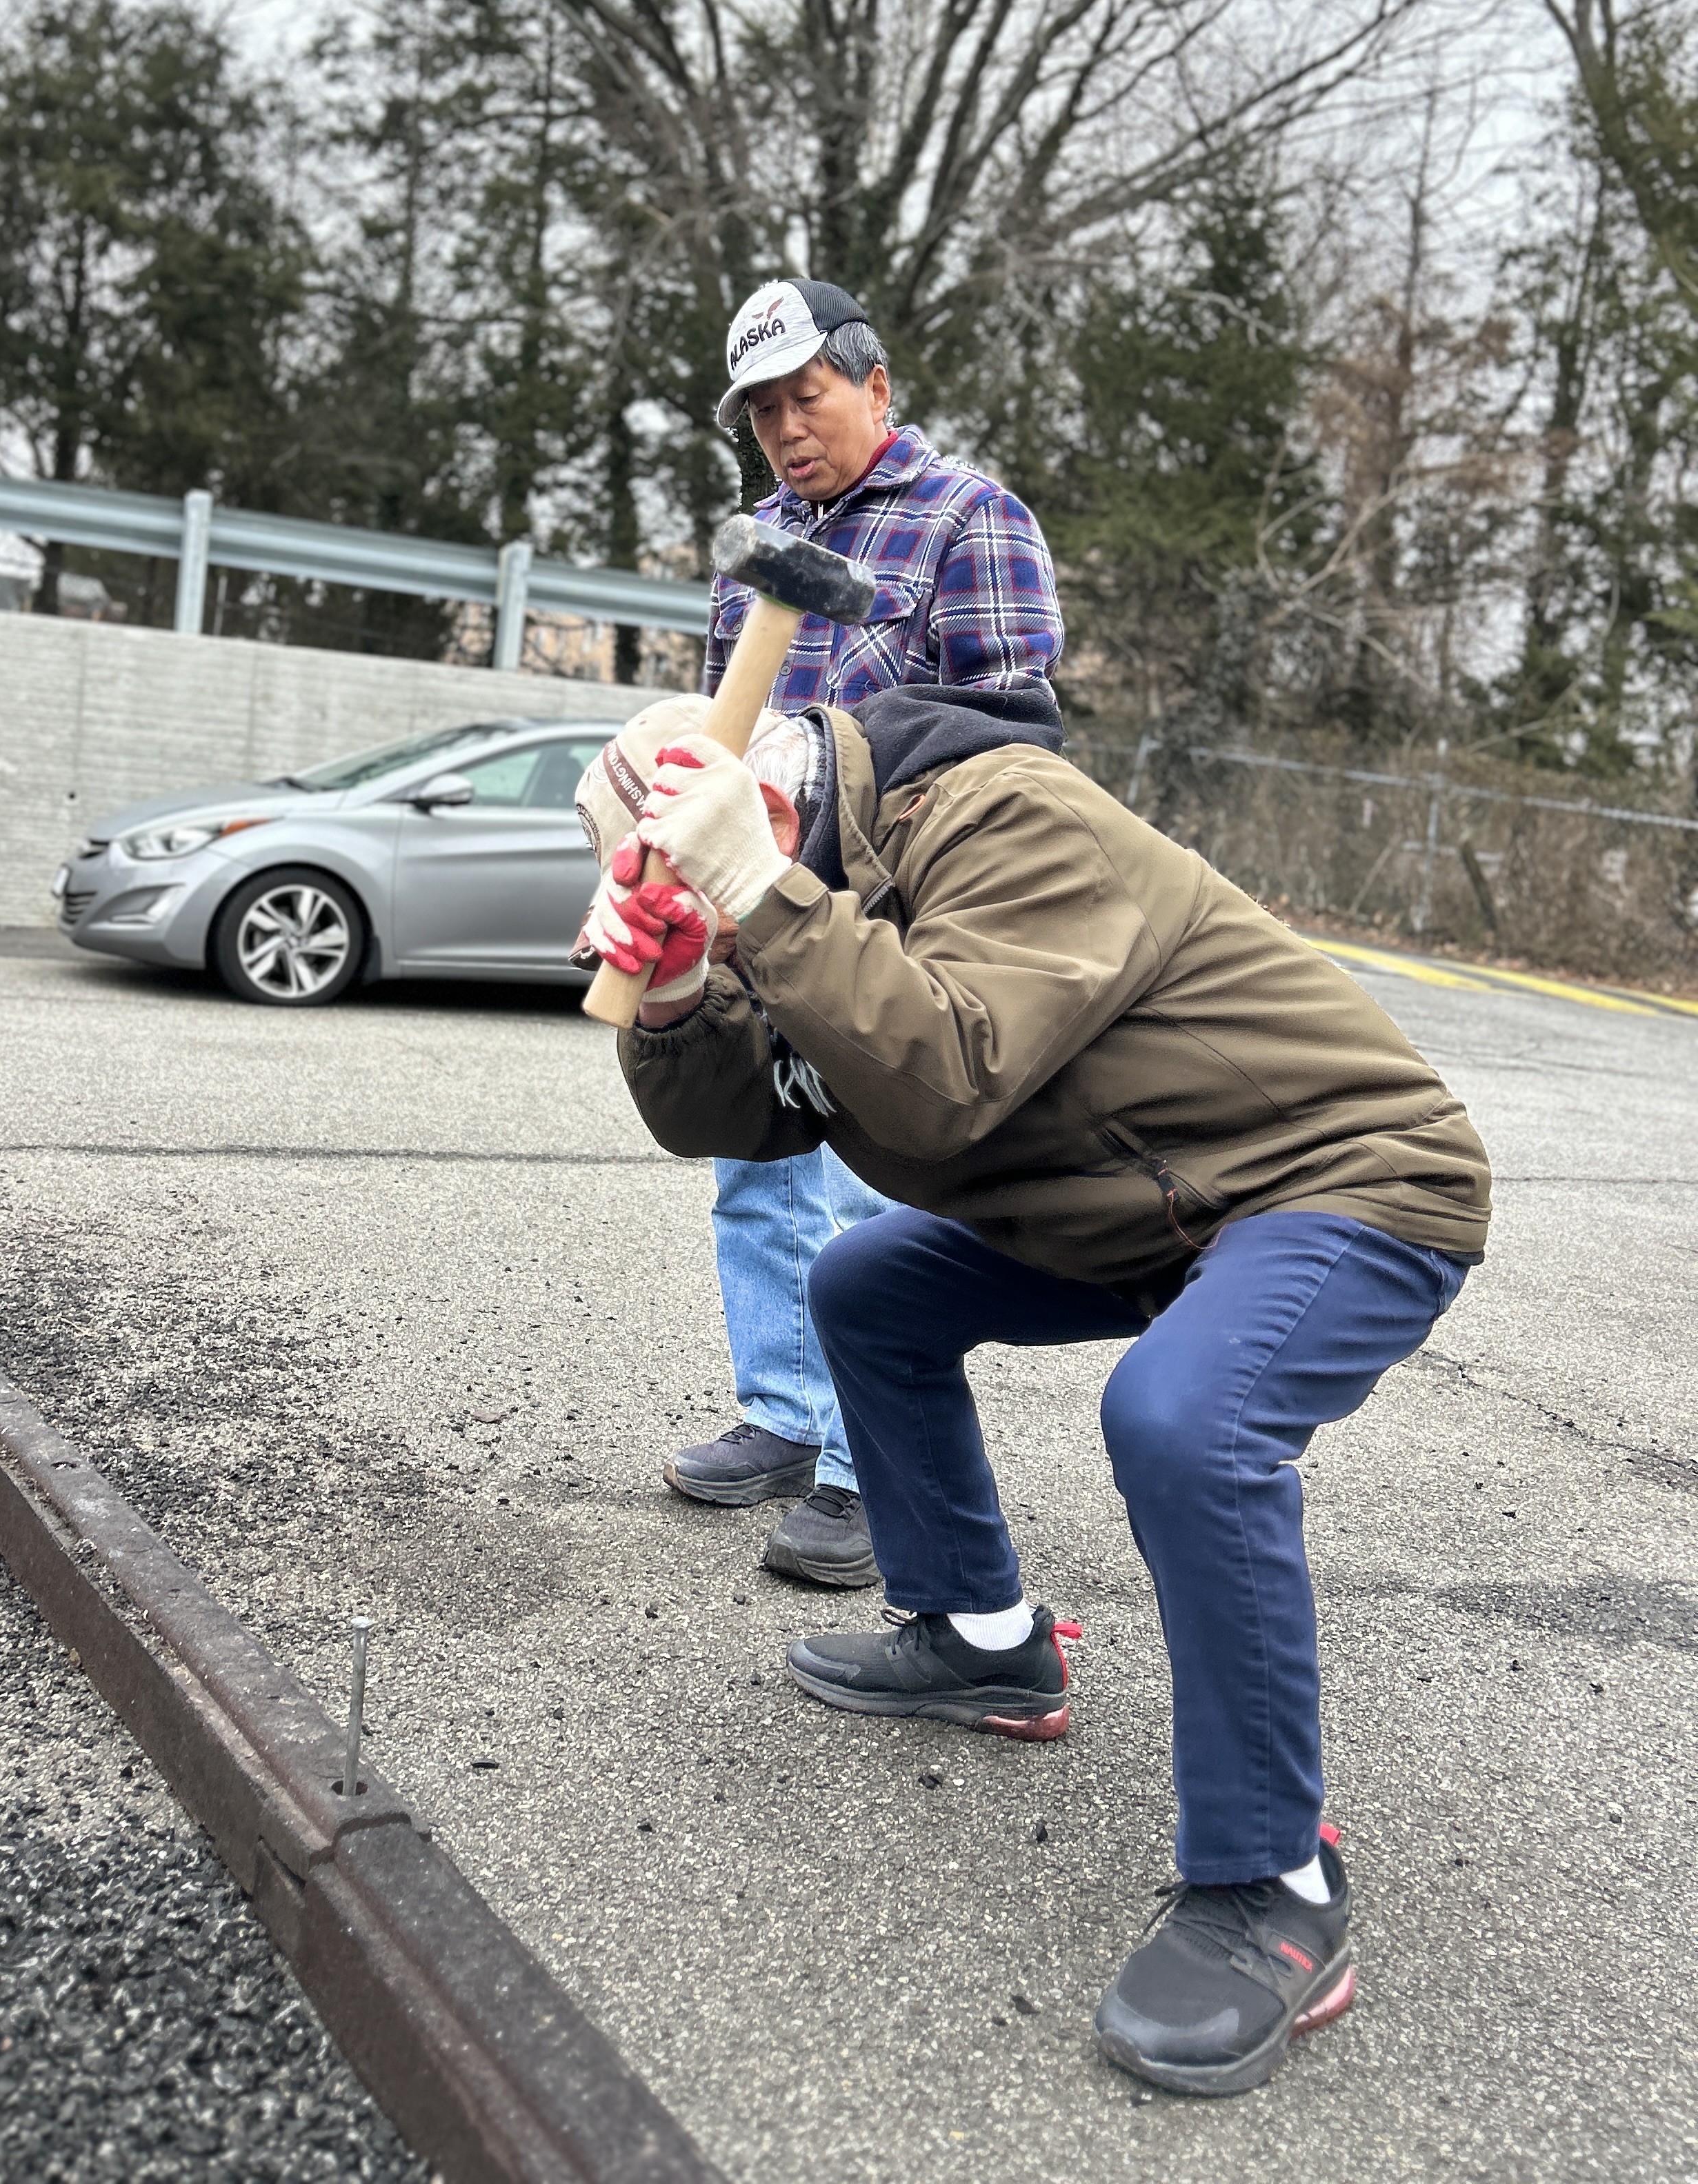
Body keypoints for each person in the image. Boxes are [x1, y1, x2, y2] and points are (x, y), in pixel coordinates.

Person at [576, 687, 1489, 2098]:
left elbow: (948, 1072)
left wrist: (754, 891)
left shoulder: (1005, 813)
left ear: (767, 799)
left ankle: (1276, 1882)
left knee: (1185, 1419)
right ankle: (982, 1636)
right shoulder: (776, 896)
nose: (691, 881)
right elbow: (738, 1120)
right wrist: (684, 987)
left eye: (686, 858)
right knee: (865, 1285)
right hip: (1140, 1210)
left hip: (1343, 1177)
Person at [665, 275, 1064, 1590]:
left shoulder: (971, 518)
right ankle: (783, 1413)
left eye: (809, 396)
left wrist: (856, 790)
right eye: (763, 411)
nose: (787, 428)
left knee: (861, 1185)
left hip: (888, 898)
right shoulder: (758, 542)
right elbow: (725, 719)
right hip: (758, 885)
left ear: (876, 385)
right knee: (753, 1157)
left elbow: (1011, 729)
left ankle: (858, 1463)